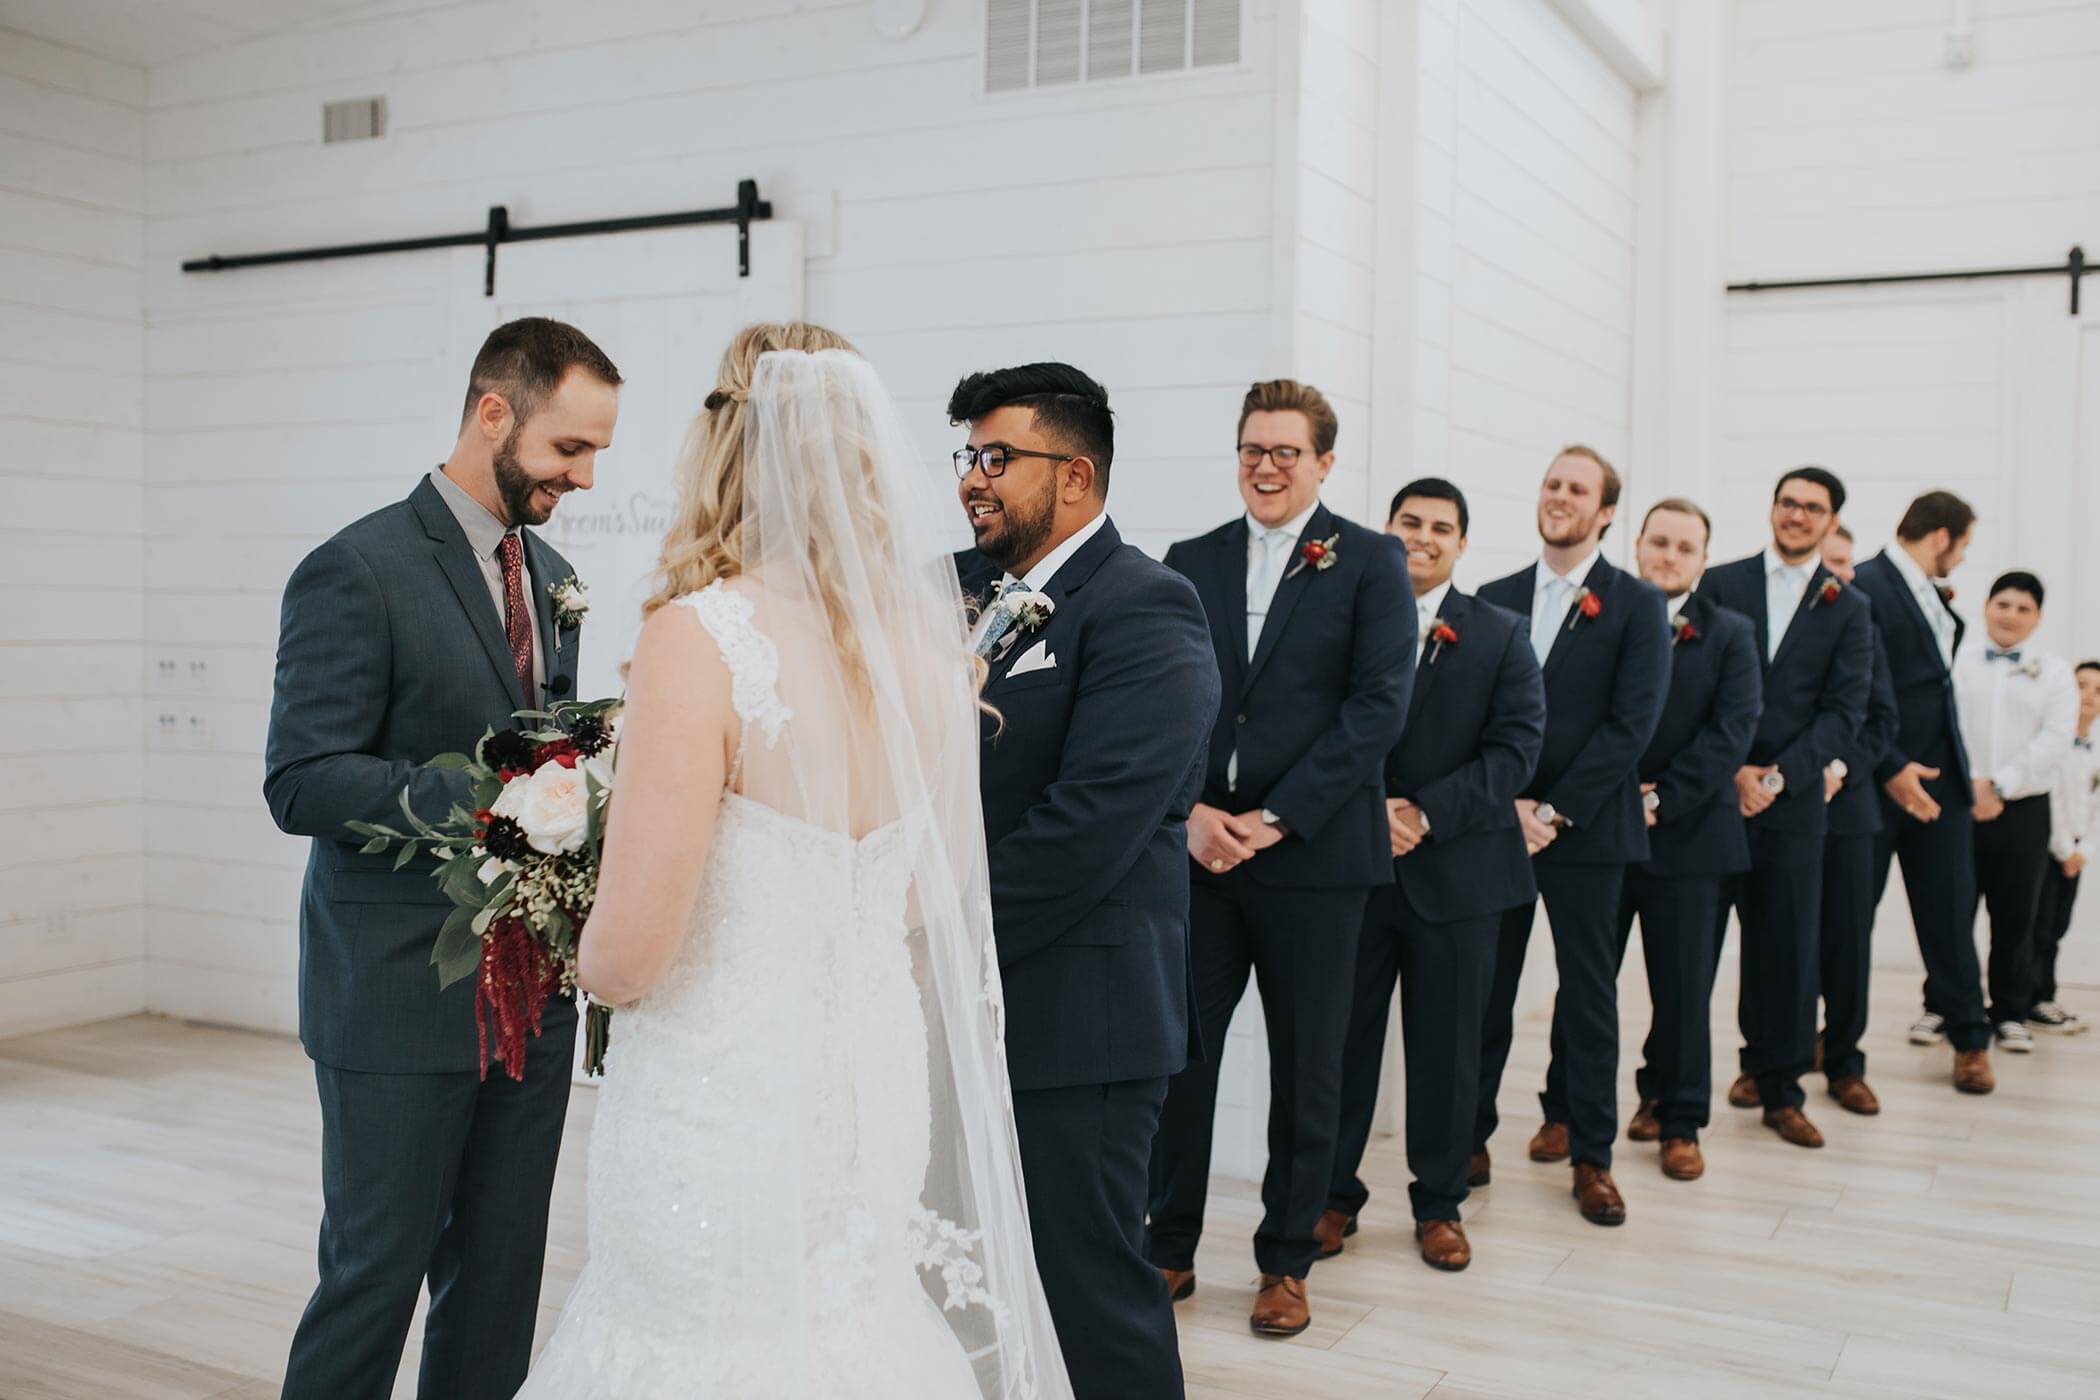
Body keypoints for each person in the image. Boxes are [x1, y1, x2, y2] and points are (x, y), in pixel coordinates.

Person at [521, 328, 1074, 1397]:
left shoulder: (702, 637)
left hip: (724, 1097)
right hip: (871, 1095)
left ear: (724, 453)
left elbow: (630, 957)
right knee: (850, 1333)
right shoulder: (930, 653)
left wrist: (567, 922)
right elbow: (927, 895)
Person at [265, 317, 619, 1400]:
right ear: (493, 413)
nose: (587, 476)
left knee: (501, 1277)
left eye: (597, 452)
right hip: (395, 994)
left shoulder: (551, 572)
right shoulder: (354, 567)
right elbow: (302, 779)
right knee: (375, 1273)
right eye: (570, 448)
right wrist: (495, 796)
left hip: (529, 996)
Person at [955, 362, 1219, 1397]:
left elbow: (1090, 825)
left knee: (1090, 1286)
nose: (973, 479)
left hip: (1081, 1018)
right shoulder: (949, 585)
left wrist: (935, 926)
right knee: (973, 1279)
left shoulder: (1150, 605)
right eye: (966, 457)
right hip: (960, 1009)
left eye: (996, 458)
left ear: (1074, 472)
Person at [1148, 380, 1412, 1335]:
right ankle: (1166, 1245)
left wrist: (1277, 818)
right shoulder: (1190, 560)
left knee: (1310, 1068)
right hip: (1203, 858)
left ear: (1324, 462)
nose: (1266, 465)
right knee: (1180, 1058)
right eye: (1253, 449)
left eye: (1286, 452)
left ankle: (1286, 1260)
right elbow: (1165, 699)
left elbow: (1378, 708)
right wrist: (1192, 815)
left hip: (1315, 861)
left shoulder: (1372, 563)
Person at [1320, 478, 1543, 1273]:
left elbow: (1516, 750)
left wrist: (1422, 812)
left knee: (1448, 1050)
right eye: (1409, 522)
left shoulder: (1501, 632)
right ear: (1386, 531)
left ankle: (1441, 1203)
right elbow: (1313, 725)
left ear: (1462, 544)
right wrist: (1369, 808)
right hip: (1353, 866)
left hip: (1461, 877)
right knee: (1339, 1044)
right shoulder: (1343, 617)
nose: (1423, 536)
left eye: (1440, 527)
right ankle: (1329, 1196)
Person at [1475, 446, 1670, 1226]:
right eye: (1553, 484)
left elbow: (1632, 726)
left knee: (1588, 998)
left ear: (1607, 512)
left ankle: (1592, 1156)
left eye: (1577, 489)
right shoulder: (1492, 596)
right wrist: (1509, 805)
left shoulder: (1635, 603)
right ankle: (1466, 1137)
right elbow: (1473, 716)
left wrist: (1552, 811)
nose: (1560, 497)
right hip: (1498, 825)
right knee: (1483, 991)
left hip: (1587, 831)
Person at [1699, 467, 1872, 1149]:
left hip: (1794, 804)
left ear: (1831, 523)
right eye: (1788, 503)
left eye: (1813, 508)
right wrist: (1731, 770)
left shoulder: (1849, 607)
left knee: (1788, 952)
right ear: (1772, 509)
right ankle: (1665, 1093)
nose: (1797, 515)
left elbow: (1844, 712)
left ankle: (1781, 1089)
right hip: (1713, 797)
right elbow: (1693, 689)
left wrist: (1775, 778)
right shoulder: (1722, 583)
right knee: (1691, 954)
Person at [1614, 499, 1759, 1182]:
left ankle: (1679, 1119)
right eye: (1659, 542)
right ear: (1636, 544)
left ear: (1703, 559)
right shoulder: (1604, 617)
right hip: (1604, 830)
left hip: (1693, 835)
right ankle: (1565, 1111)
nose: (1669, 556)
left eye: (1685, 547)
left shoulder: (1730, 633)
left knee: (1683, 989)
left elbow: (1730, 733)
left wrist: (1660, 798)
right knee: (1588, 985)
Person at [1850, 491, 1996, 1093]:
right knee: (1847, 920)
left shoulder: (1930, 594)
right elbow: (1852, 689)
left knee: (1950, 916)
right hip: (1877, 782)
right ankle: (1830, 1042)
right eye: (1962, 546)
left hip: (1944, 786)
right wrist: (1892, 767)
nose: (1961, 560)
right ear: (1942, 537)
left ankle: (1969, 1039)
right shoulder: (1862, 585)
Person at [1952, 572, 2078, 1052]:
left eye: (2023, 609)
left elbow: (2056, 738)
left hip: (2024, 807)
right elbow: (1946, 726)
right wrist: (1972, 783)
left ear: (2038, 618)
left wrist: (2001, 783)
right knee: (1952, 909)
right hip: (1961, 800)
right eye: (2003, 604)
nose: (2010, 615)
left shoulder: (2055, 672)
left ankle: (2009, 1010)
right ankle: (1943, 1004)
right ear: (1986, 606)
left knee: (2017, 914)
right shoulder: (1957, 662)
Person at [1813, 525, 1902, 1115]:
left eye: (1846, 563)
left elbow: (1882, 721)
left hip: (1848, 813)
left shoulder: (1864, 625)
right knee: (1777, 943)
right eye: (1828, 563)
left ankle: (1845, 1062)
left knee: (1847, 941)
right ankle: (1768, 1059)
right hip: (1773, 808)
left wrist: (1839, 769)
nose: (1839, 574)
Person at [2033, 661, 2100, 1034]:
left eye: (2097, 690)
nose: (2088, 695)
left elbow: (2096, 811)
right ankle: (2028, 996)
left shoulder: (2095, 752)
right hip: (2048, 848)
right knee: (2037, 925)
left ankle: (2045, 993)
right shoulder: (2054, 744)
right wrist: (2062, 849)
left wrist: (2083, 851)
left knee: (2057, 925)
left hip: (2075, 852)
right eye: (2081, 685)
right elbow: (2052, 800)